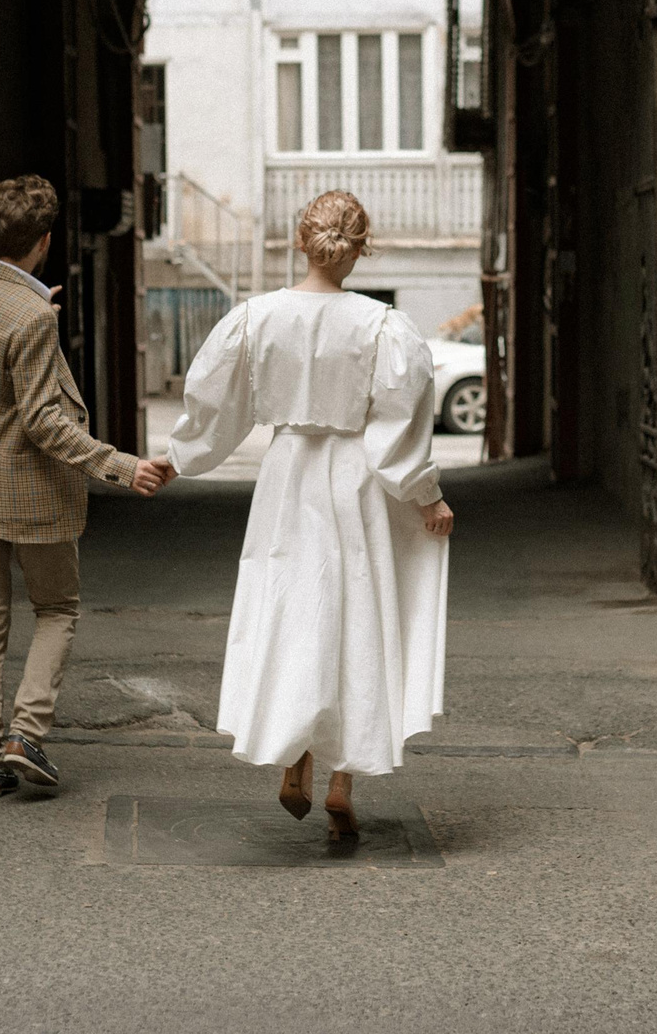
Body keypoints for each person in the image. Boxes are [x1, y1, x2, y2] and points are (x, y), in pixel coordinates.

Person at [168, 189, 455, 837]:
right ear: (362, 248)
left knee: (292, 608)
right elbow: (400, 430)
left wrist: (178, 458)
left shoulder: (257, 318)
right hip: (354, 482)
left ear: (302, 240)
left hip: (288, 476)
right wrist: (427, 496)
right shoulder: (382, 327)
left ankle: (294, 751)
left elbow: (215, 406)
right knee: (353, 614)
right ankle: (342, 780)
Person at [0, 174, 176, 800]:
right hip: (24, 491)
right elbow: (44, 421)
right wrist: (124, 467)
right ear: (44, 243)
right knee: (57, 609)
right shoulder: (31, 320)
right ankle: (26, 734)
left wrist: (30, 317)